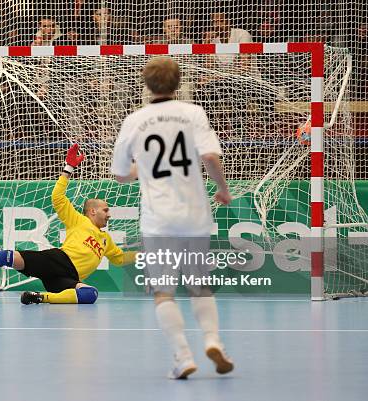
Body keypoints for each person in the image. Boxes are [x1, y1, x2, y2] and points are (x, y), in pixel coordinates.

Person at [111, 57, 234, 379]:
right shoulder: (193, 112)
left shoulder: (135, 120)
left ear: (145, 83)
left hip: (159, 220)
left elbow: (121, 175)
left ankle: (183, 356)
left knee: (164, 292)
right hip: (195, 216)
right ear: (178, 82)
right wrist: (222, 189)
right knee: (199, 285)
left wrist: (146, 169)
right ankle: (213, 340)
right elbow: (209, 156)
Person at [0, 144, 135, 305]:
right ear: (92, 211)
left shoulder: (106, 240)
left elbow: (119, 258)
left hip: (70, 277)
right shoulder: (79, 220)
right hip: (58, 261)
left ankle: (40, 297)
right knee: (8, 257)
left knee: (90, 294)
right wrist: (69, 168)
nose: (109, 214)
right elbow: (57, 198)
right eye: (105, 210)